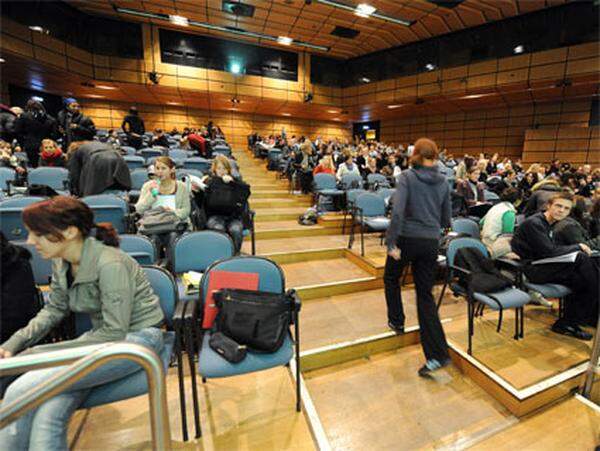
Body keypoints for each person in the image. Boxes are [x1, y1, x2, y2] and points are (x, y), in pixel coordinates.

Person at [0, 196, 164, 450]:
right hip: (101, 341)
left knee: (21, 390)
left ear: (69, 231)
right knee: (49, 409)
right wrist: (14, 344)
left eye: (38, 233)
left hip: (135, 343)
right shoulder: (61, 260)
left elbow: (114, 331)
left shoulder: (111, 263)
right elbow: (54, 309)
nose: (30, 241)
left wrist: (35, 352)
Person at [384, 137, 452, 377]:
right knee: (425, 296)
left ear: (415, 155)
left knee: (391, 278)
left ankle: (397, 321)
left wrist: (391, 241)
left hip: (406, 238)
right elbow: (446, 219)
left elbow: (398, 212)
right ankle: (437, 355)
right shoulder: (444, 181)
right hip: (430, 242)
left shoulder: (407, 177)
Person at [511, 192, 599, 339]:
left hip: (546, 265)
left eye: (566, 209)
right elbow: (549, 252)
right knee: (584, 262)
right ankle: (578, 318)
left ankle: (569, 322)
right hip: (533, 270)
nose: (561, 211)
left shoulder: (551, 223)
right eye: (558, 206)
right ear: (548, 205)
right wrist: (579, 246)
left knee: (582, 279)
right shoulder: (535, 223)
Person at [135, 156, 191, 256]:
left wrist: (172, 212)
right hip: (153, 225)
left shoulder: (181, 187)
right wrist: (152, 194)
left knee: (173, 237)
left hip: (174, 224)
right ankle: (154, 268)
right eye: (157, 168)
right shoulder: (148, 186)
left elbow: (186, 210)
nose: (160, 172)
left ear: (172, 170)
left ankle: (172, 266)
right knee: (153, 238)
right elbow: (139, 210)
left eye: (163, 168)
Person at [67, 141, 131, 197]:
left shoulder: (76, 151)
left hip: (97, 158)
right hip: (117, 157)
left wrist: (75, 193)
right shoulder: (98, 144)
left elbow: (74, 174)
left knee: (90, 195)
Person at [13, 99, 57, 168]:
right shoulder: (50, 119)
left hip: (29, 146)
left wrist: (23, 141)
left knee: (31, 167)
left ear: (28, 107)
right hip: (45, 147)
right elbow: (54, 135)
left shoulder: (24, 116)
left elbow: (17, 131)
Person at [480, 187, 519, 258]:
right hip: (495, 246)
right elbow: (507, 235)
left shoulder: (495, 207)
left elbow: (481, 222)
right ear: (517, 201)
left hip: (484, 243)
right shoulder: (509, 212)